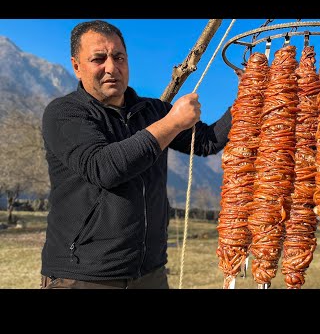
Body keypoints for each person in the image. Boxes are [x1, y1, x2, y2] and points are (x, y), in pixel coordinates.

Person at [40, 19, 233, 289]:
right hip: (84, 276)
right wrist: (172, 122)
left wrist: (249, 93)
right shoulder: (65, 113)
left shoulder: (152, 111)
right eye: (98, 59)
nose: (111, 67)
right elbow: (103, 168)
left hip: (151, 273)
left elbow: (207, 142)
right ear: (76, 66)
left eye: (118, 57)